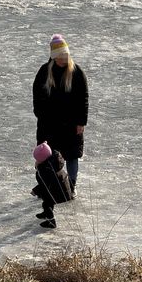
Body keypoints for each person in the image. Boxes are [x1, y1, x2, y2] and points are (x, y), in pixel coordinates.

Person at [33, 34, 89, 197]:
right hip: (49, 123)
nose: (65, 58)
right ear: (54, 57)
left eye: (66, 55)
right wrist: (40, 114)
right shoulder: (44, 71)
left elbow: (83, 98)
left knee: (71, 155)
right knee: (47, 156)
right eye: (61, 56)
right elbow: (37, 95)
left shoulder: (77, 72)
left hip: (71, 123)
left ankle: (71, 185)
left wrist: (81, 122)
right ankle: (46, 186)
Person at [31, 141, 72, 229]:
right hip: (61, 189)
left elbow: (45, 184)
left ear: (42, 160)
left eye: (37, 159)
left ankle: (51, 221)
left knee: (46, 204)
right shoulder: (53, 162)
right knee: (48, 201)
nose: (36, 161)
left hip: (58, 192)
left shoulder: (46, 169)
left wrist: (35, 190)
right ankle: (46, 214)